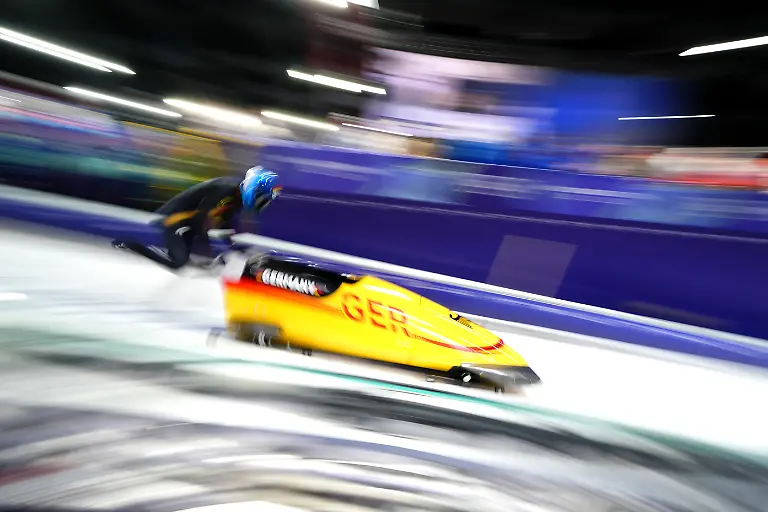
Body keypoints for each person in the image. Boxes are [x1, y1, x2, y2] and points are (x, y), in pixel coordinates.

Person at [113, 166, 281, 270]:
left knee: (197, 262)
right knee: (179, 262)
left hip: (189, 222)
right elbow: (202, 221)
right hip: (176, 219)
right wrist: (209, 254)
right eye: (261, 197)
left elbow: (223, 223)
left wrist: (236, 246)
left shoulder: (235, 195)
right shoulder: (225, 190)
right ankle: (132, 244)